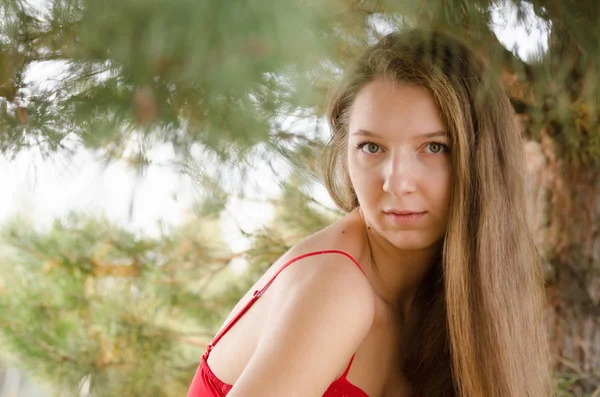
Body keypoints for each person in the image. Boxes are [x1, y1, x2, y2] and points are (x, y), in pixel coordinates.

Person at [187, 29, 552, 397]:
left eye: (434, 147)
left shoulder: (454, 300)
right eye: (371, 147)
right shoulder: (336, 289)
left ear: (483, 162)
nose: (396, 183)